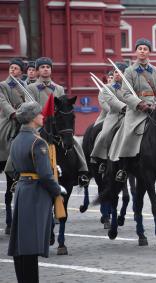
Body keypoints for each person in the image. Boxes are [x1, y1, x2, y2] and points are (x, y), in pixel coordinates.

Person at [7, 102, 63, 283]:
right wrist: (57, 191)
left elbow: (13, 169)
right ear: (32, 118)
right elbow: (45, 175)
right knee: (31, 243)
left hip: (23, 189)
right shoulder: (38, 142)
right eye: (39, 114)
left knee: (21, 242)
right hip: (36, 193)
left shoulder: (16, 140)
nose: (42, 116)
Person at [108, 38, 156, 182]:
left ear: (149, 52)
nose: (142, 51)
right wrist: (140, 104)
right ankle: (124, 168)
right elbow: (125, 94)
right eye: (140, 49)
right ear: (136, 51)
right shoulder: (129, 71)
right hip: (136, 110)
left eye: (145, 49)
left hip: (154, 108)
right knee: (128, 134)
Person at [27, 57, 89, 186]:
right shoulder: (31, 88)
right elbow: (29, 107)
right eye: (42, 67)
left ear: (51, 70)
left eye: (48, 67)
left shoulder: (58, 88)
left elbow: (63, 105)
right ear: (38, 70)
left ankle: (82, 171)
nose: (45, 69)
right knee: (22, 141)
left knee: (74, 143)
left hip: (55, 125)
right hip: (37, 124)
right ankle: (15, 173)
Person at [0, 58, 27, 234]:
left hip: (25, 120)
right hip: (9, 120)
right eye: (11, 68)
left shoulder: (26, 86)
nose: (12, 71)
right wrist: (14, 113)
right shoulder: (3, 85)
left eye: (16, 68)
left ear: (21, 71)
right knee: (2, 136)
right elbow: (2, 102)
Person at [91, 63, 127, 173]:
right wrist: (123, 107)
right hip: (114, 115)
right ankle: (101, 158)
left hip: (129, 116)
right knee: (105, 134)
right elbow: (109, 103)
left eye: (120, 72)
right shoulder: (107, 88)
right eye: (115, 71)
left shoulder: (130, 87)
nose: (117, 74)